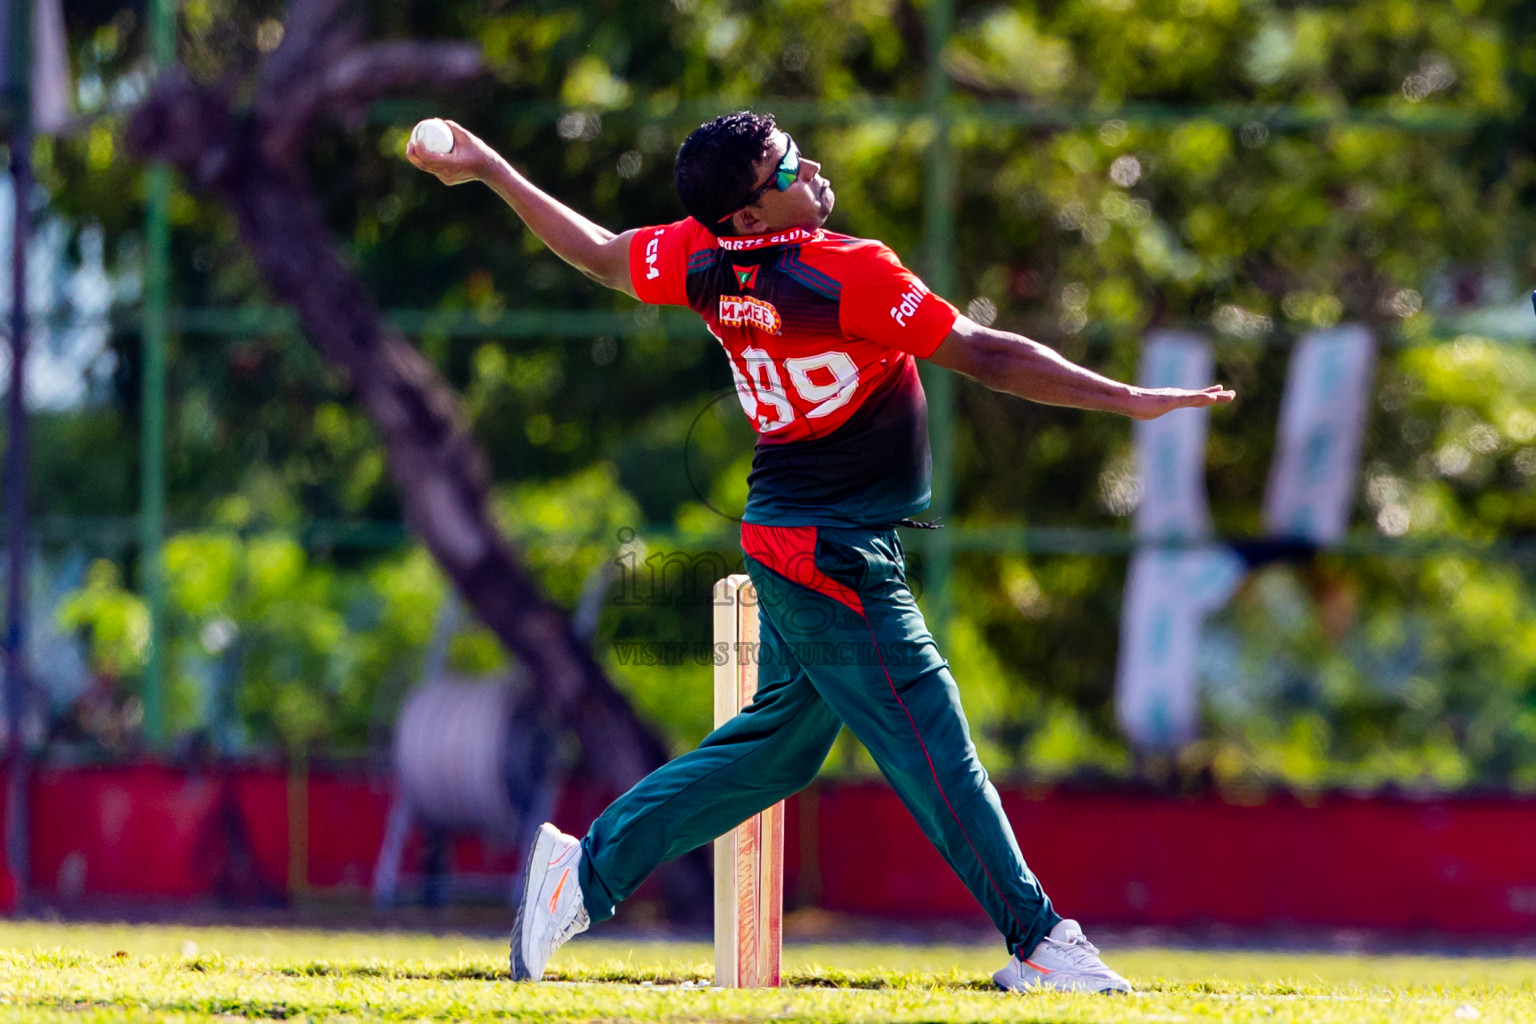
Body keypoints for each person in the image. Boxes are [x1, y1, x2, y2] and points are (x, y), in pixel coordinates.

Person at [407, 111, 1234, 994]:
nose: (810, 169)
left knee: (780, 750)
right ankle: (1040, 941)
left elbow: (602, 255)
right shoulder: (847, 269)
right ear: (751, 215)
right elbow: (987, 355)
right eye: (786, 168)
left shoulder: (701, 255)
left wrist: (491, 167)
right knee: (930, 734)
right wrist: (1127, 399)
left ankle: (582, 873)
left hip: (790, 532)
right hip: (833, 551)